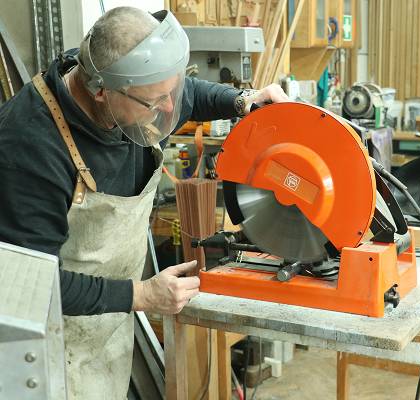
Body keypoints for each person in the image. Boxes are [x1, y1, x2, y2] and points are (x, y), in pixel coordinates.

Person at [0, 6, 288, 398]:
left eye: (170, 92)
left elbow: (185, 95)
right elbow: (33, 285)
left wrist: (242, 100)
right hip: (44, 351)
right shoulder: (29, 148)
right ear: (100, 90)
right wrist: (143, 295)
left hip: (105, 330)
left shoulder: (121, 86)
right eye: (154, 101)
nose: (169, 109)